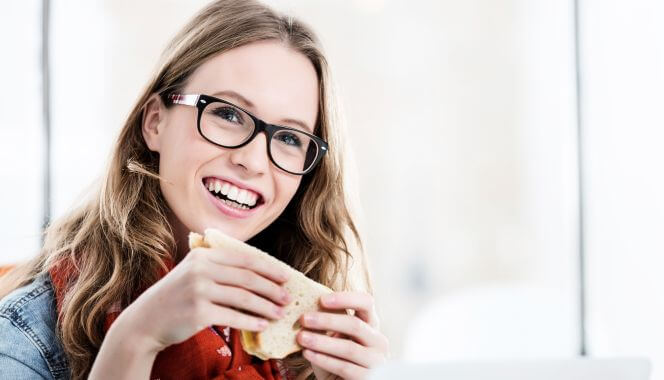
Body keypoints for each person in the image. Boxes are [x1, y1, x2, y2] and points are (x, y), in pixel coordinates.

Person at [0, 0, 388, 379]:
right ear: (154, 123)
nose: (253, 161)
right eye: (227, 114)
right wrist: (136, 338)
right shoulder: (25, 336)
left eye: (289, 138)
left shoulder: (295, 350)